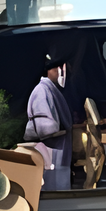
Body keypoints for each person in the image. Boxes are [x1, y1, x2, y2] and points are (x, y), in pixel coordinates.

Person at [25, 50, 74, 191]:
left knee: (60, 184)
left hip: (59, 151)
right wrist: (63, 126)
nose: (61, 71)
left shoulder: (52, 90)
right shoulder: (42, 91)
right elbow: (45, 128)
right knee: (52, 188)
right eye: (56, 68)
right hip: (50, 152)